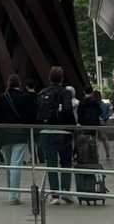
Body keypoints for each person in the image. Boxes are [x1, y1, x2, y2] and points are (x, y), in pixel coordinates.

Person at [0, 74, 36, 204]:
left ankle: (11, 191)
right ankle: (14, 196)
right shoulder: (24, 97)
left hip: (4, 134)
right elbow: (30, 116)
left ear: (8, 84)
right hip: (20, 134)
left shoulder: (1, 98)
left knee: (8, 164)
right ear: (19, 84)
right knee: (16, 164)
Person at [36, 66, 78, 204]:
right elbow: (67, 110)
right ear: (62, 78)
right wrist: (73, 127)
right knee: (66, 162)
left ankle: (54, 195)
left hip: (46, 132)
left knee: (51, 164)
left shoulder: (42, 93)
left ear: (49, 78)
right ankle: (65, 191)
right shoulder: (65, 92)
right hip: (63, 132)